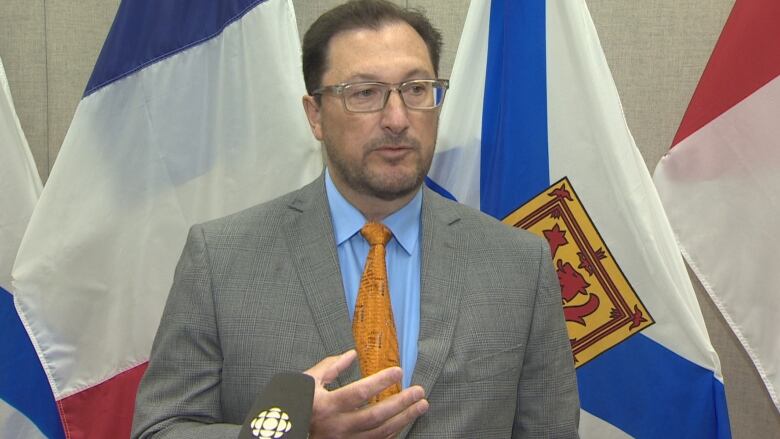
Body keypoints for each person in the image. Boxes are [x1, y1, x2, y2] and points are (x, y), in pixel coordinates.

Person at [131, 1, 580, 437]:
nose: (398, 119)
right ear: (316, 116)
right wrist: (292, 432)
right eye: (365, 93)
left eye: (416, 89)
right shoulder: (221, 259)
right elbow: (161, 428)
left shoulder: (519, 264)